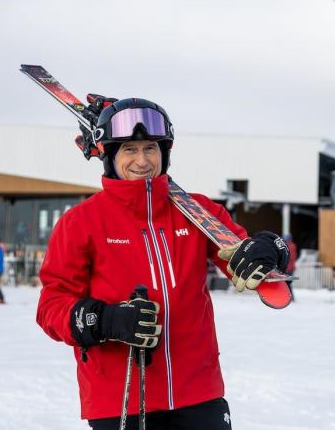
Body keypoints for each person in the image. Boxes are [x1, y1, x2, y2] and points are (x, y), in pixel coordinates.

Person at [35, 97, 290, 429]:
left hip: (199, 392)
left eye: (150, 148)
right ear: (110, 156)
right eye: (129, 150)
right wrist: (106, 320)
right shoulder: (81, 222)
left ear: (164, 153)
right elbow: (51, 306)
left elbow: (238, 251)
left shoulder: (198, 212)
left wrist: (268, 249)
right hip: (120, 396)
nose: (142, 160)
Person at [283, 234, 298, 301]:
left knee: (287, 283)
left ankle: (290, 297)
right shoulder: (292, 245)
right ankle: (290, 297)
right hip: (290, 267)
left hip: (288, 268)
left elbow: (290, 257)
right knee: (287, 283)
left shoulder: (289, 246)